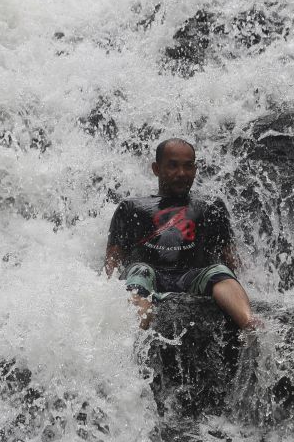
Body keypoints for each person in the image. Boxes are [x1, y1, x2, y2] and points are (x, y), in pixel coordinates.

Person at [104, 138, 258, 330]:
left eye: (188, 166)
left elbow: (230, 259)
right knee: (139, 271)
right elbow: (112, 262)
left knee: (220, 271)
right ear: (156, 168)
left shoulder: (210, 206)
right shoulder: (132, 207)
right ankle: (136, 334)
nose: (182, 173)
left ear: (195, 169)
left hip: (193, 277)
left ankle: (251, 325)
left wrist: (246, 285)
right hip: (150, 275)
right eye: (173, 166)